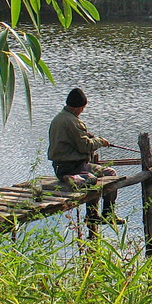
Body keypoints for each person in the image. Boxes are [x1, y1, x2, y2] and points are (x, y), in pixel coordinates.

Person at [47, 88, 123, 225]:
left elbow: (73, 140)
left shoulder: (59, 118)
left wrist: (90, 136)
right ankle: (107, 214)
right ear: (78, 107)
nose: (83, 110)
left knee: (96, 177)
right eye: (83, 108)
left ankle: (93, 214)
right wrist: (100, 141)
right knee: (110, 174)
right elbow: (85, 146)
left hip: (59, 166)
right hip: (74, 167)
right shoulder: (73, 122)